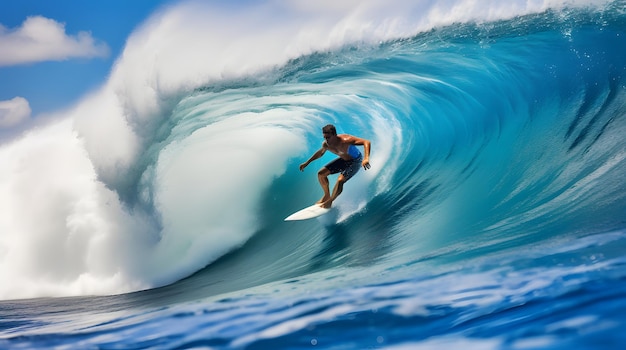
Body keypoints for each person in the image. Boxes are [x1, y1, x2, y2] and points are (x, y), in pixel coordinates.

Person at [299, 124, 371, 209]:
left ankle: (330, 201)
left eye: (328, 137)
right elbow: (320, 153)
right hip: (344, 160)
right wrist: (307, 162)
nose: (326, 140)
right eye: (325, 138)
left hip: (355, 161)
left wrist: (366, 158)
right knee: (321, 174)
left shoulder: (346, 140)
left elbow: (366, 142)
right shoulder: (326, 144)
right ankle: (326, 195)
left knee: (340, 180)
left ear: (334, 135)